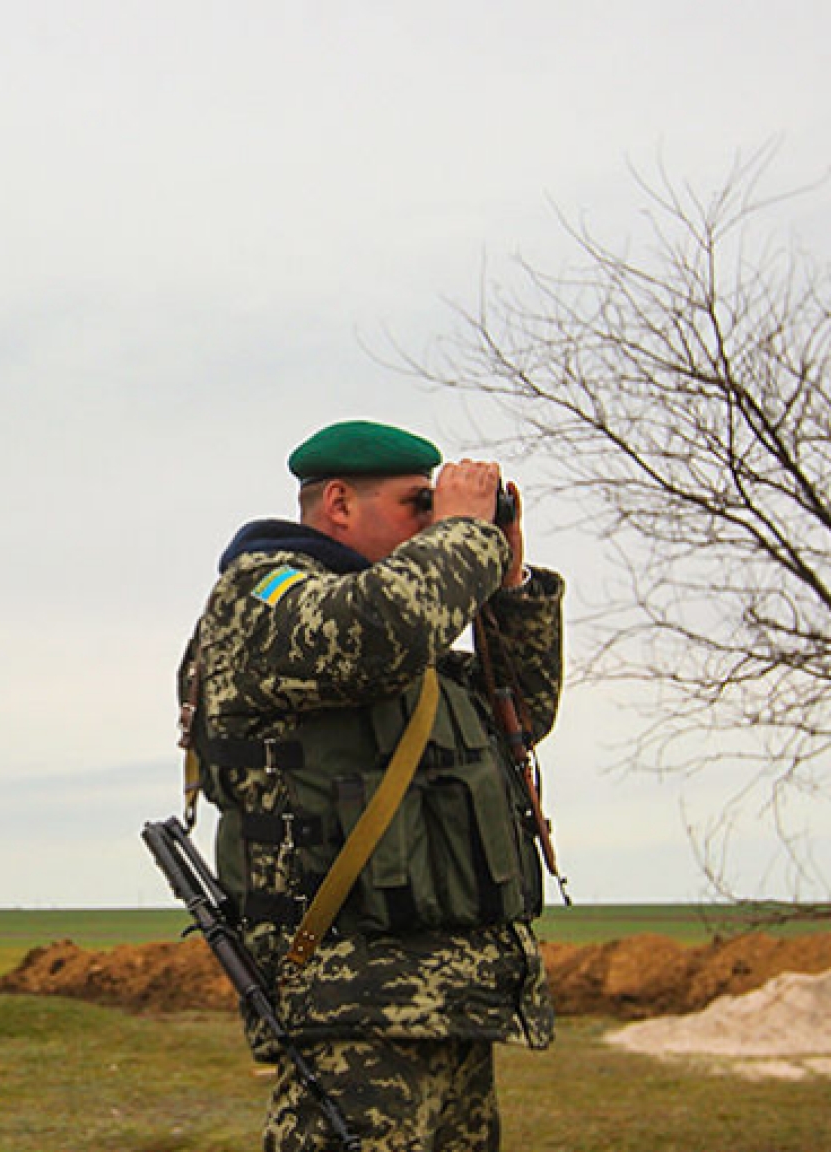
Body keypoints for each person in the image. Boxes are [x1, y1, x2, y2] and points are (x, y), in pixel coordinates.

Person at [179, 420, 561, 1151]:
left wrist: (507, 581)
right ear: (339, 505)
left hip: (451, 1001)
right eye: (421, 504)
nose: (439, 523)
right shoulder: (265, 597)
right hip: (350, 1002)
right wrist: (465, 540)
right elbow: (378, 632)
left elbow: (518, 714)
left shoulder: (401, 641)